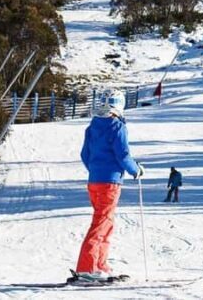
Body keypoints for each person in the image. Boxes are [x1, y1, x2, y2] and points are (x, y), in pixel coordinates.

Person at [75, 89, 143, 283]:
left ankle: (100, 264)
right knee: (102, 222)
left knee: (106, 223)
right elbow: (122, 155)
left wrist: (96, 170)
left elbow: (85, 155)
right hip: (109, 182)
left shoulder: (93, 126)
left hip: (95, 181)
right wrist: (135, 170)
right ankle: (87, 267)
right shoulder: (117, 126)